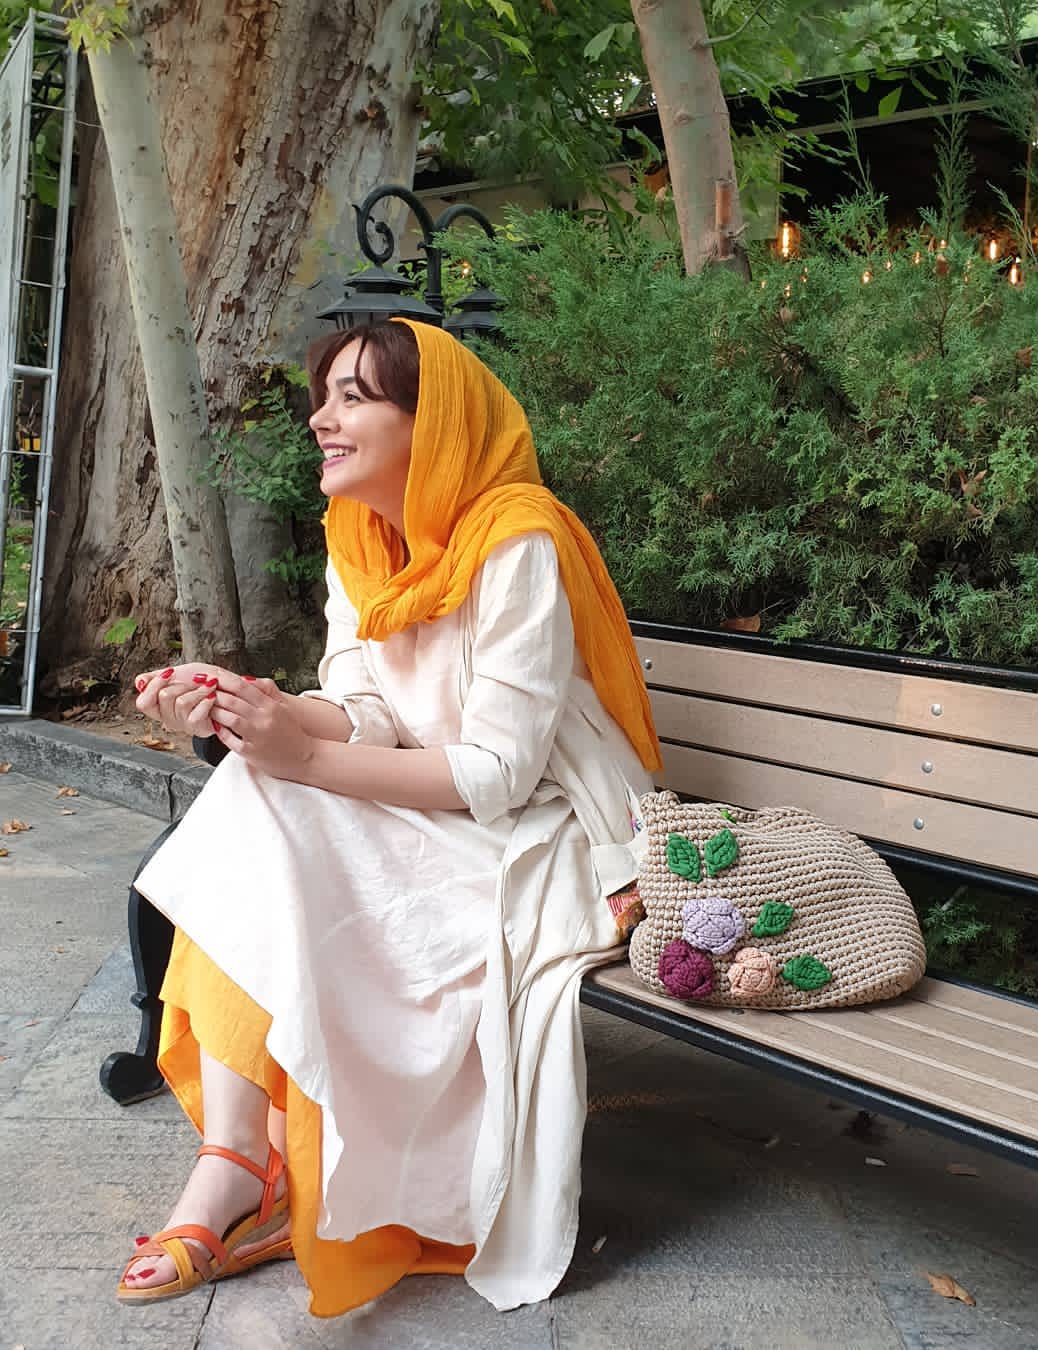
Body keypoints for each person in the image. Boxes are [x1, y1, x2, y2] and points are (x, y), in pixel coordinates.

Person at [119, 318, 660, 1316]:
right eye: (323, 397)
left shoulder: (517, 539)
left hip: (540, 834)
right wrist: (251, 709)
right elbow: (364, 709)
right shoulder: (362, 539)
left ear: (435, 422)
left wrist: (303, 755)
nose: (320, 420)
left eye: (354, 398)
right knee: (253, 789)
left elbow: (500, 772)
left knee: (271, 794)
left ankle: (249, 1178)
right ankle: (235, 1162)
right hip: (435, 805)